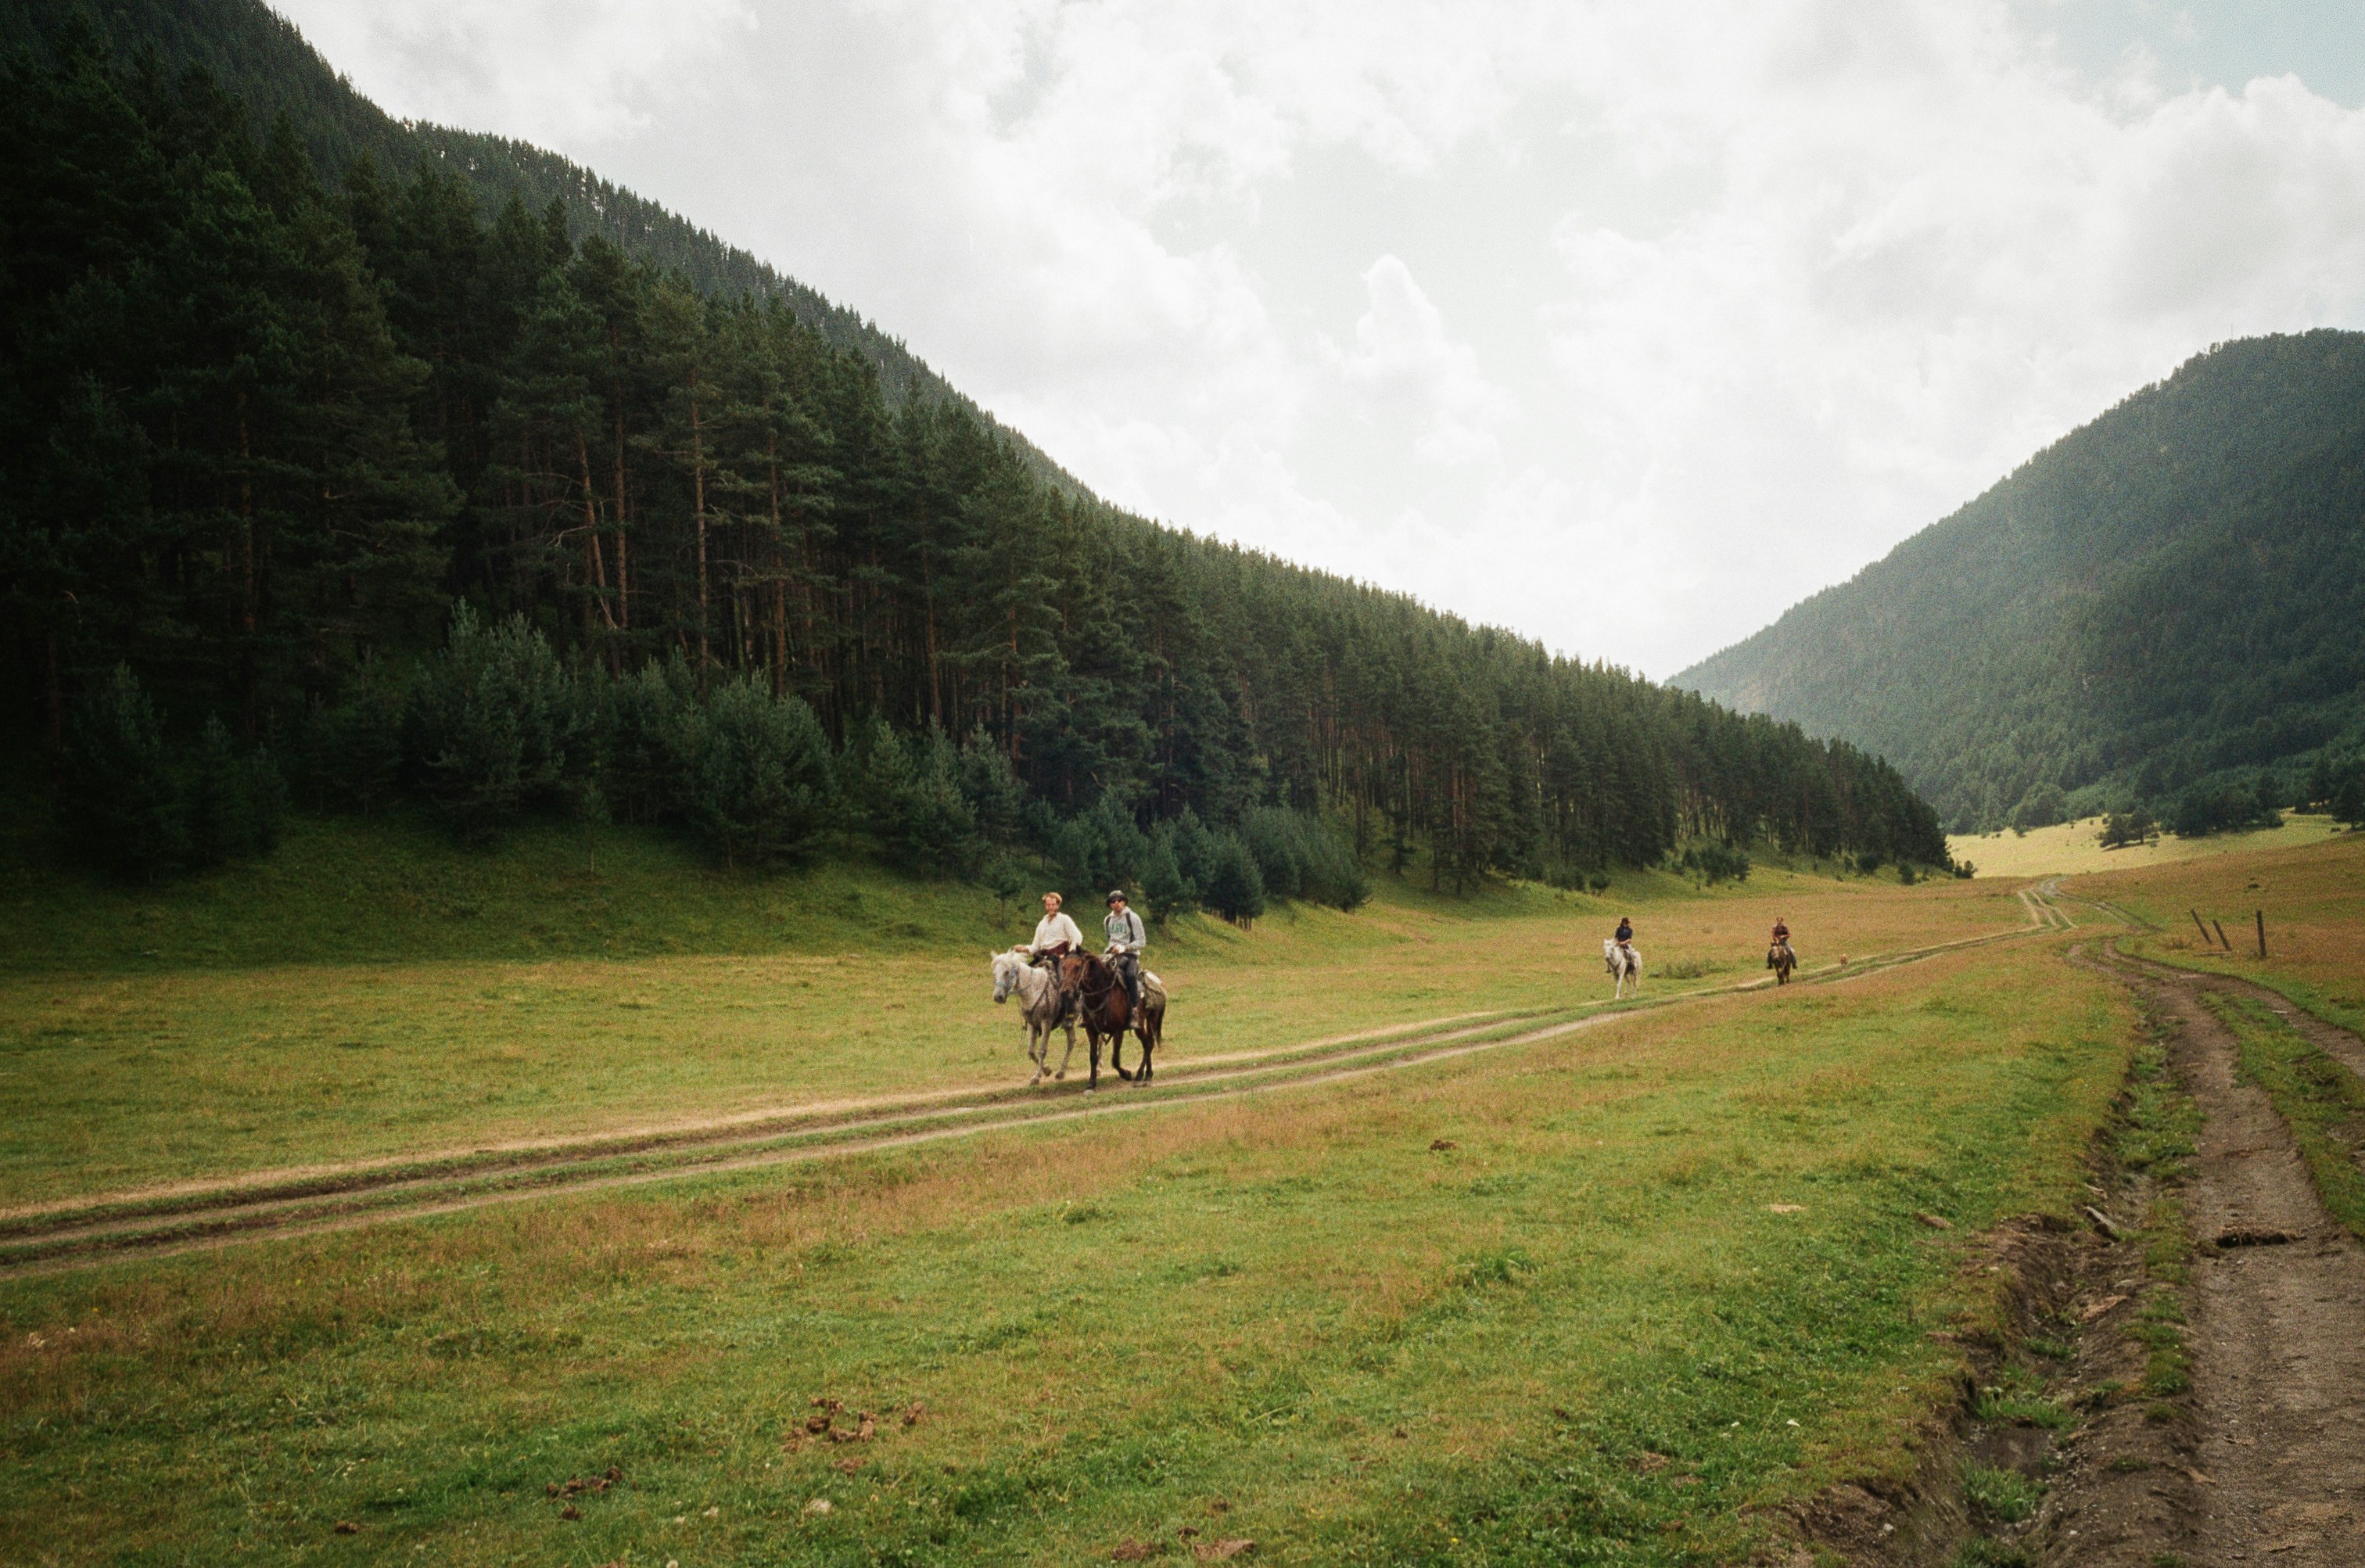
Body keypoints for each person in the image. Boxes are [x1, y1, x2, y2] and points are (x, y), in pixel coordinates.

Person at [1104, 888, 1146, 1010]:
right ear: (1110, 904)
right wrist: (1112, 948)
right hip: (1112, 955)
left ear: (1124, 902)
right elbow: (1110, 939)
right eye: (1113, 901)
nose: (1116, 903)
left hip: (1130, 955)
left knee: (1131, 975)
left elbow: (1141, 941)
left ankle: (1134, 1008)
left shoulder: (1133, 917)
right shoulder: (1107, 920)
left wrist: (1125, 947)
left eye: (1119, 900)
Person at [1027, 892, 1083, 975]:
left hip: (1059, 958)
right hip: (1043, 957)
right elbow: (1035, 946)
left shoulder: (1064, 919)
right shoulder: (1042, 924)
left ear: (1058, 905)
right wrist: (1024, 949)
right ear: (1045, 905)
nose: (1051, 907)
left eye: (1053, 905)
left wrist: (1069, 954)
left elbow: (1077, 937)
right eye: (1048, 905)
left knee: (1063, 981)